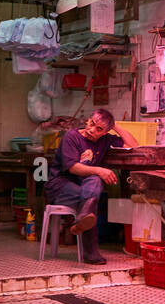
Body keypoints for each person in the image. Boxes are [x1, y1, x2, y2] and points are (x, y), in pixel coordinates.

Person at [45, 108, 137, 265]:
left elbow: (133, 145)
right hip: (60, 186)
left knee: (93, 184)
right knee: (92, 195)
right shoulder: (71, 136)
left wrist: (115, 126)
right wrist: (100, 170)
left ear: (105, 132)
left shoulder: (105, 140)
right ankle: (91, 251)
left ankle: (84, 217)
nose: (92, 130)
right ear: (88, 120)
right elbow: (73, 168)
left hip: (84, 186)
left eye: (99, 129)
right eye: (92, 123)